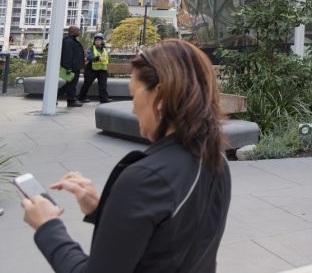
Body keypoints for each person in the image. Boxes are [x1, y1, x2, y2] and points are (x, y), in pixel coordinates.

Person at [21, 39, 232, 271]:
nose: (132, 107)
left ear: (159, 97)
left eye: (133, 95)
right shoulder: (215, 159)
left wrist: (48, 227)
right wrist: (101, 209)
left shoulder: (145, 178)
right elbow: (172, 238)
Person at [79, 33, 112, 104]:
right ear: (94, 41)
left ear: (102, 41)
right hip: (91, 69)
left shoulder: (104, 49)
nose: (97, 41)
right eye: (96, 39)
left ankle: (104, 99)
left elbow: (107, 58)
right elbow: (89, 57)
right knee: (87, 84)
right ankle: (81, 97)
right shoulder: (91, 48)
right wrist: (97, 58)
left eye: (99, 39)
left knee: (103, 85)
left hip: (102, 70)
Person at [59, 26, 85, 108]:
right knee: (71, 85)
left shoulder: (71, 41)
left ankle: (55, 97)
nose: (79, 32)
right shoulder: (68, 42)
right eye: (78, 31)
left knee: (70, 84)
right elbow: (67, 55)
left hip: (75, 67)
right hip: (71, 68)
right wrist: (67, 67)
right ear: (73, 31)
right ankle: (71, 101)